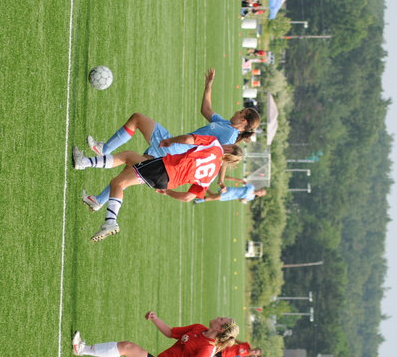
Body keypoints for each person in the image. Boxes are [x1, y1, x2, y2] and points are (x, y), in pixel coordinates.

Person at [79, 68, 260, 211]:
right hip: (175, 149)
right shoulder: (226, 124)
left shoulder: (229, 135)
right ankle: (98, 200)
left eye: (241, 112)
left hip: (175, 150)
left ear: (244, 121)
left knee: (137, 121)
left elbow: (221, 158)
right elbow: (206, 110)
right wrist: (208, 86)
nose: (237, 111)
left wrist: (220, 179)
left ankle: (102, 152)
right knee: (132, 168)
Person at [72, 134, 243, 241]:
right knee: (128, 157)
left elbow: (187, 140)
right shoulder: (212, 175)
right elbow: (188, 197)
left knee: (118, 183)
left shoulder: (214, 144)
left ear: (229, 148)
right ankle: (85, 166)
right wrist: (168, 192)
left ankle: (110, 221)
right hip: (166, 181)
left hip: (165, 167)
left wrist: (170, 141)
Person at [72, 312, 239, 357]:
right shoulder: (198, 328)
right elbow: (171, 332)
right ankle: (82, 349)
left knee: (128, 347)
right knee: (127, 347)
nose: (218, 317)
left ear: (220, 329)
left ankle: (81, 349)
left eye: (221, 319)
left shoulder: (207, 349)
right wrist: (155, 318)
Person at [194, 177, 267, 205]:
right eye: (261, 190)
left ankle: (203, 186)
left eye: (261, 193)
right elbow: (242, 181)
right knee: (215, 197)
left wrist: (242, 200)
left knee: (213, 196)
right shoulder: (251, 187)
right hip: (231, 191)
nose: (260, 191)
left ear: (260, 195)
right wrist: (231, 178)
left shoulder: (251, 197)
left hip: (232, 197)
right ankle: (199, 199)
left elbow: (241, 199)